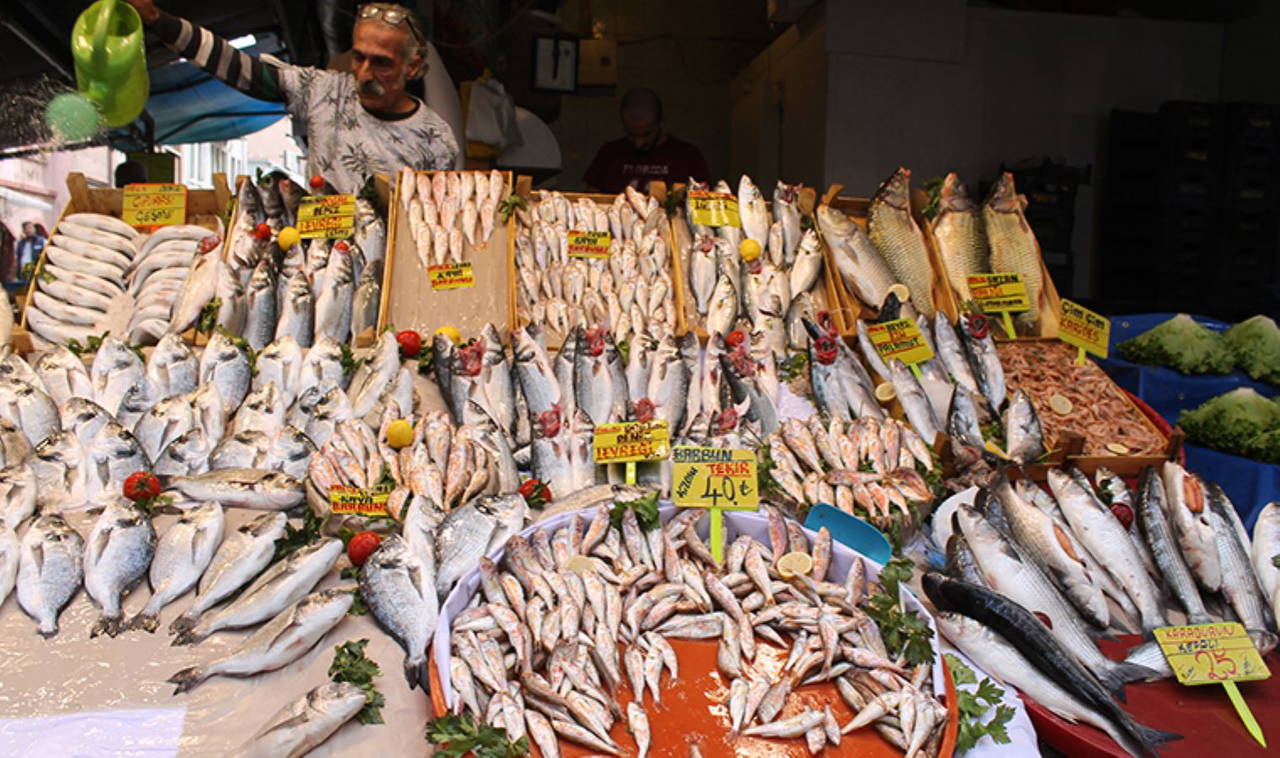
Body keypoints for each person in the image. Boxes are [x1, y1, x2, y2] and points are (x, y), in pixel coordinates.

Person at [125, 0, 458, 193]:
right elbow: (240, 69)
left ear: (413, 66)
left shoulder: (436, 139)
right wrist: (159, 21)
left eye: (382, 63)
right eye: (359, 58)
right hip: (321, 268)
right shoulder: (322, 91)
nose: (365, 73)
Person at [583, 87, 710, 193]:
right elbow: (590, 197)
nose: (638, 143)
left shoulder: (687, 156)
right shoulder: (610, 152)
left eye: (646, 135)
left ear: (660, 123)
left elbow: (704, 199)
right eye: (631, 135)